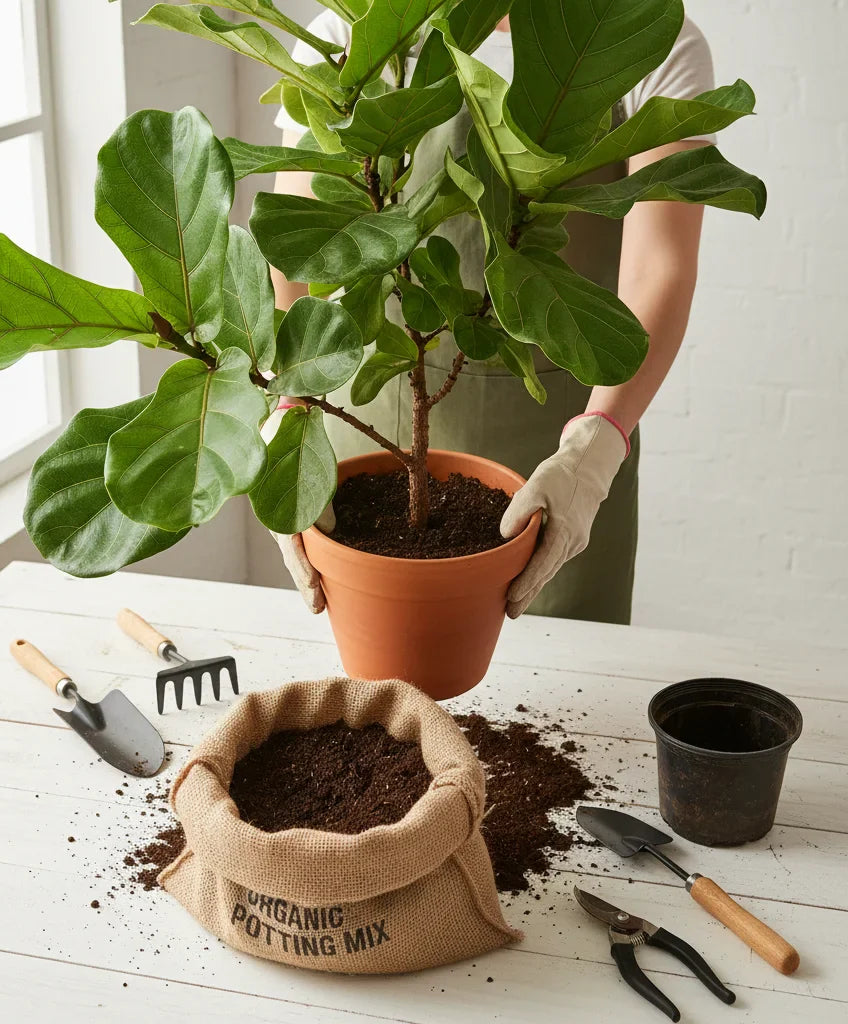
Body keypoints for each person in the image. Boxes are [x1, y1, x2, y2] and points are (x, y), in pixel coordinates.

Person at [269, 14, 715, 624]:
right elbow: (293, 246)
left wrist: (593, 455)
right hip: (362, 446)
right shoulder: (349, 30)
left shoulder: (644, 34)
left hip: (558, 466)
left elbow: (660, 267)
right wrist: (287, 419)